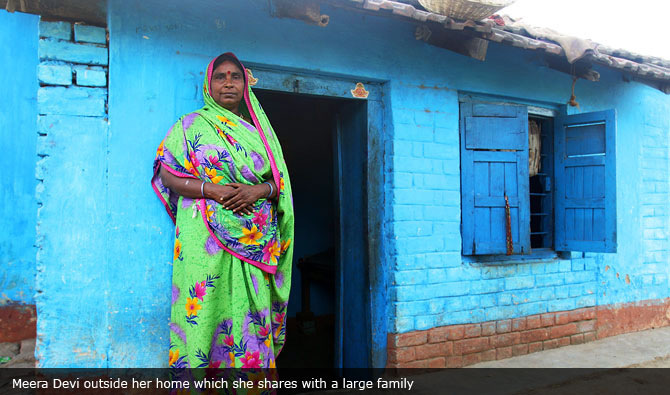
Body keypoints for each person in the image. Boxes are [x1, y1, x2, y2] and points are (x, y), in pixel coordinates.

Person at [151, 52, 294, 371]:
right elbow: (167, 173)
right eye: (220, 76)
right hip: (204, 239)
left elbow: (278, 181)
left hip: (254, 240)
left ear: (245, 84)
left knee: (250, 313)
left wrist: (255, 190)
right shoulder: (189, 126)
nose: (228, 83)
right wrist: (211, 189)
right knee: (204, 308)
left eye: (235, 76)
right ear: (208, 84)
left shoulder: (261, 133)